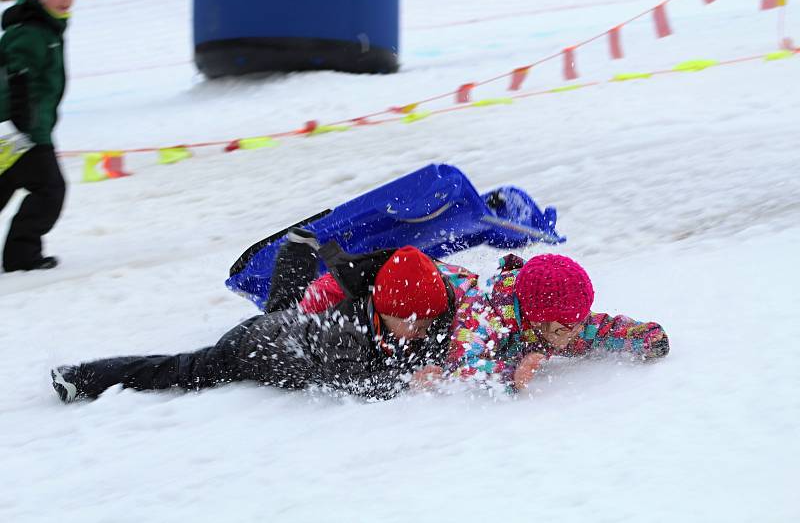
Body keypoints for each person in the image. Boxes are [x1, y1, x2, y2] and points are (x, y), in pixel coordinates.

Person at [50, 229, 483, 402]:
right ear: (381, 309)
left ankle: (295, 248)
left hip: (289, 330)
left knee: (284, 311)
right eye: (410, 321)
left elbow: (459, 325)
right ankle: (83, 376)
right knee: (183, 369)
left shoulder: (421, 314)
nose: (420, 329)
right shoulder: (346, 332)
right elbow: (354, 384)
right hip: (254, 348)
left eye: (427, 320)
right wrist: (407, 381)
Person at [446, 253, 670, 392]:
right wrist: (510, 374)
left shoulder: (565, 326)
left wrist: (644, 336)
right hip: (440, 292)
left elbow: (600, 329)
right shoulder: (484, 314)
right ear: (538, 321)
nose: (580, 329)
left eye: (582, 318)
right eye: (571, 326)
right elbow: (459, 363)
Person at [0, 0, 77, 272]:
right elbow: (17, 77)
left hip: (14, 129)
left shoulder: (42, 27)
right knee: (50, 190)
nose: (66, 0)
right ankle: (21, 255)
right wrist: (23, 126)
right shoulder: (31, 31)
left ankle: (20, 253)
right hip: (22, 130)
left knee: (5, 184)